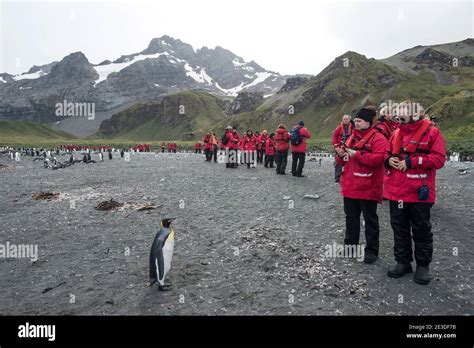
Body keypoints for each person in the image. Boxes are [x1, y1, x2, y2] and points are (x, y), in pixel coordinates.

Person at [384, 101, 446, 285]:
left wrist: (413, 161)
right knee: (399, 228)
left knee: (421, 229)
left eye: (403, 114)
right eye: (398, 114)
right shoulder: (395, 133)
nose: (400, 118)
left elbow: (439, 159)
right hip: (396, 191)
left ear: (416, 114)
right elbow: (386, 154)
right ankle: (403, 262)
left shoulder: (432, 133)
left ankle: (423, 266)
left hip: (419, 192)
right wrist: (389, 161)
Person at [335, 107, 387, 263]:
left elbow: (379, 160)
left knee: (370, 219)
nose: (355, 124)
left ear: (368, 122)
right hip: (351, 185)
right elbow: (342, 161)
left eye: (359, 121)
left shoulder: (379, 139)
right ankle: (350, 246)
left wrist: (357, 154)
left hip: (368, 186)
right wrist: (340, 155)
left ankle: (371, 250)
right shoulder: (352, 137)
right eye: (355, 121)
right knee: (351, 217)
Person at [332, 115, 353, 183]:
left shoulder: (353, 127)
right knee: (338, 161)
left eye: (346, 119)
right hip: (340, 147)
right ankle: (337, 177)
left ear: (349, 120)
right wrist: (336, 147)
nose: (345, 120)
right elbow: (334, 137)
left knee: (350, 162)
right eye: (344, 119)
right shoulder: (339, 128)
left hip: (350, 147)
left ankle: (349, 176)